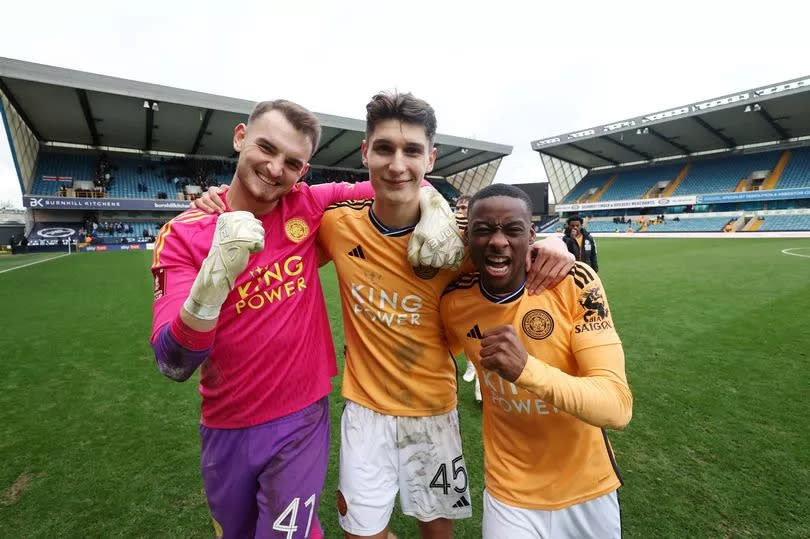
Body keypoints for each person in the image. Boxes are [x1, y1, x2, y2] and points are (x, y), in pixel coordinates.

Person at [150, 99, 462, 539]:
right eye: (266, 148)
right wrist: (212, 282)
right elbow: (174, 362)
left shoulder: (308, 206)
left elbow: (392, 184)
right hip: (226, 425)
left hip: (302, 419)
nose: (276, 169)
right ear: (240, 138)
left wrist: (436, 203)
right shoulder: (183, 234)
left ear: (304, 171)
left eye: (292, 162)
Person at [440, 184, 632, 538]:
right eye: (483, 230)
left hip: (588, 489)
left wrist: (526, 370)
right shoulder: (454, 301)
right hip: (510, 492)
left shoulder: (575, 283)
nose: (498, 241)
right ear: (468, 237)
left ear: (531, 235)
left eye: (513, 229)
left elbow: (617, 406)